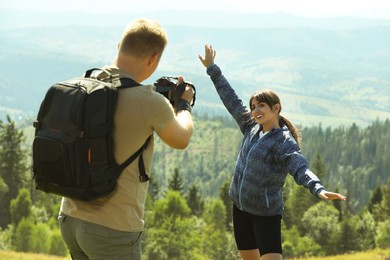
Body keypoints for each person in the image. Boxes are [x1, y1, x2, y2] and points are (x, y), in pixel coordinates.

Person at [58, 18, 194, 260]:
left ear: (119, 44)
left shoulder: (86, 83)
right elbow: (181, 139)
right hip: (113, 228)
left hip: (70, 217)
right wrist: (183, 104)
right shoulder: (148, 101)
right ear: (153, 59)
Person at [198, 44, 346, 260]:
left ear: (276, 108)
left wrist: (318, 189)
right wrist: (212, 68)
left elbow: (300, 167)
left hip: (266, 215)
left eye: (261, 106)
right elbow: (230, 98)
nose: (256, 111)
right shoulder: (251, 127)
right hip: (240, 209)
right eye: (253, 107)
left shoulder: (284, 142)